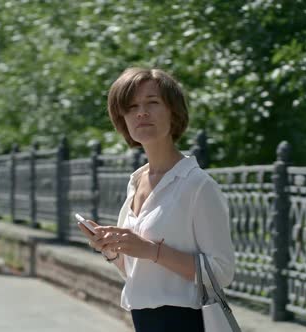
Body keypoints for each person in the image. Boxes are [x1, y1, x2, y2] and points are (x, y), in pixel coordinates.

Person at [77, 67, 235, 332]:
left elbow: (221, 272)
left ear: (173, 112)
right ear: (122, 118)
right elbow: (138, 272)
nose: (141, 113)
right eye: (131, 106)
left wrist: (150, 250)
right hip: (143, 320)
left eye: (152, 103)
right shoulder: (136, 181)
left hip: (185, 321)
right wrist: (111, 249)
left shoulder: (197, 185)